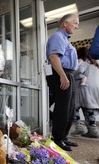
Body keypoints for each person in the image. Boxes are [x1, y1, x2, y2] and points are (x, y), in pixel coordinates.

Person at [46, 13, 79, 151]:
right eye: (75, 23)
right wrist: (62, 76)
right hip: (62, 72)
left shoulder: (65, 39)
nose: (77, 27)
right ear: (65, 24)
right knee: (62, 107)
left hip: (68, 74)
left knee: (70, 108)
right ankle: (58, 138)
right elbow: (53, 57)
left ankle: (63, 137)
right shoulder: (57, 37)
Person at [71, 47, 99, 138]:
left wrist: (70, 75)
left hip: (82, 87)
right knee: (89, 107)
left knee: (74, 106)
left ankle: (79, 127)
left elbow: (79, 70)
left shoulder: (82, 61)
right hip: (93, 86)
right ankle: (92, 130)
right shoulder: (93, 62)